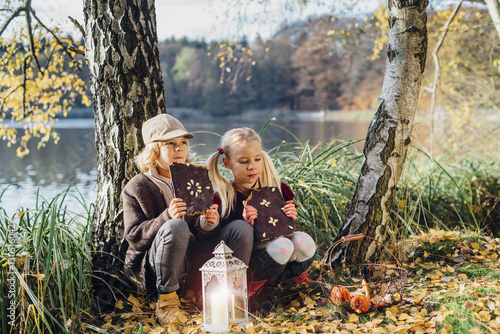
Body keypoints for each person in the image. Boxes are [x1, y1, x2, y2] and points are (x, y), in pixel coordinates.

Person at [122, 114, 253, 325]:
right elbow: (134, 238)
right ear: (154, 150)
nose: (180, 148)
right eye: (171, 144)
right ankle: (167, 301)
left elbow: (198, 231)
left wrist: (208, 223)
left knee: (241, 228)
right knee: (175, 225)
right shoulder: (138, 186)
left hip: (193, 260)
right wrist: (166, 217)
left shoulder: (195, 178)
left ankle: (229, 293)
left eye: (183, 142)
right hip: (160, 267)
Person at [206, 127, 317, 299]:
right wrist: (247, 226)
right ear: (227, 163)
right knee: (284, 246)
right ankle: (250, 291)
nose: (252, 167)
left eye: (257, 159)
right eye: (243, 162)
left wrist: (290, 215)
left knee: (304, 241)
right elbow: (222, 239)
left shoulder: (276, 187)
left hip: (276, 249)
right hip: (250, 258)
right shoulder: (223, 198)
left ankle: (293, 284)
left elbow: (286, 227)